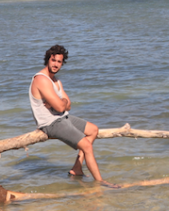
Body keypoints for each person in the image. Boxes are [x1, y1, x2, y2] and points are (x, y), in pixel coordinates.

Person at [30, 44, 118, 187]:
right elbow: (60, 106)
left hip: (62, 117)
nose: (56, 64)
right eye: (53, 60)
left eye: (59, 62)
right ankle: (100, 182)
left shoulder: (56, 81)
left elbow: (68, 105)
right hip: (50, 123)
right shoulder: (41, 79)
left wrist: (61, 102)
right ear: (48, 60)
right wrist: (60, 103)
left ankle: (77, 169)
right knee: (87, 146)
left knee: (93, 130)